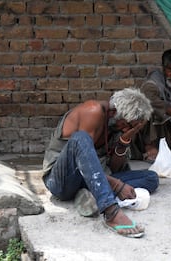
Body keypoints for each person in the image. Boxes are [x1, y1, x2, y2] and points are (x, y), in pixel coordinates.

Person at [42, 88, 159, 238]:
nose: (126, 129)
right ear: (113, 113)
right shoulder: (93, 112)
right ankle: (111, 212)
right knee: (81, 139)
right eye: (127, 125)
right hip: (61, 181)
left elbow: (114, 169)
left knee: (151, 178)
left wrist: (125, 139)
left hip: (94, 180)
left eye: (131, 127)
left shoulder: (117, 125)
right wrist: (117, 185)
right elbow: (84, 159)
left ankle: (90, 195)